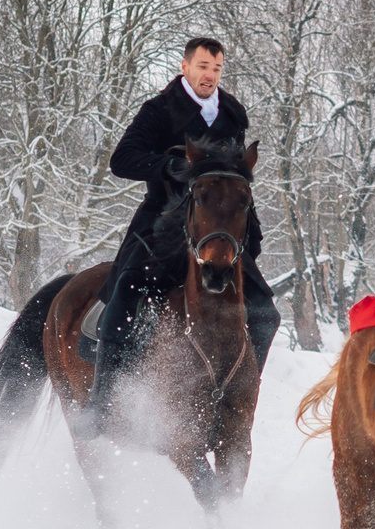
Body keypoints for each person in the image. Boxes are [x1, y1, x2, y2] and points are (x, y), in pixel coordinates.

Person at [88, 36, 282, 414]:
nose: (210, 75)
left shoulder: (233, 114)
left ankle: (241, 396)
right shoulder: (159, 110)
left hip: (218, 226)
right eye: (203, 67)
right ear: (185, 66)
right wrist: (168, 166)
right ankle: (102, 399)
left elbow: (237, 176)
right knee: (127, 289)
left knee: (266, 314)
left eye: (216, 68)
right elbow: (121, 160)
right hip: (163, 220)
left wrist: (250, 232)